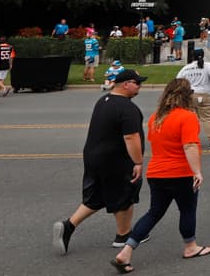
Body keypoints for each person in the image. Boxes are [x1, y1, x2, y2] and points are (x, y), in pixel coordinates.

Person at [111, 79, 210, 273]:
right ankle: (190, 247)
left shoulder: (156, 118)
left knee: (154, 213)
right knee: (187, 210)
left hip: (157, 173)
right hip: (181, 173)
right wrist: (197, 171)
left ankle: (126, 251)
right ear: (186, 95)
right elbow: (189, 145)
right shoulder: (187, 117)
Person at [52, 69, 147, 254]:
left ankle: (68, 226)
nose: (140, 87)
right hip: (116, 160)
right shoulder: (128, 108)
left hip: (93, 157)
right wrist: (138, 161)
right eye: (137, 83)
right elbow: (131, 137)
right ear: (126, 84)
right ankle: (123, 236)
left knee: (96, 197)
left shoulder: (103, 101)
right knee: (125, 194)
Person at [176, 50, 210, 150]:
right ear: (203, 56)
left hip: (189, 95)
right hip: (204, 95)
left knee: (191, 120)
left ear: (192, 57)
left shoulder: (186, 68)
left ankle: (189, 140)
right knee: (207, 119)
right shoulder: (207, 66)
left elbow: (177, 81)